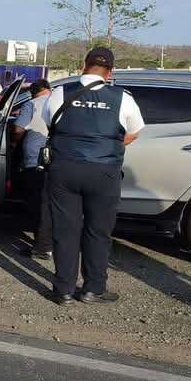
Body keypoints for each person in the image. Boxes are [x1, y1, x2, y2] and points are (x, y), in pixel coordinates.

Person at [45, 47, 144, 304]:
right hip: (103, 172)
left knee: (65, 231)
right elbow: (133, 132)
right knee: (97, 231)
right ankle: (93, 289)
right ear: (110, 73)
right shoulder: (123, 98)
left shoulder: (60, 93)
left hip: (64, 169)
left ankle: (63, 290)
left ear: (83, 65)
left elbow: (50, 124)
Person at [12, 79, 53, 259]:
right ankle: (48, 242)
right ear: (48, 90)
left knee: (37, 203)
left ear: (33, 92)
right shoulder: (59, 102)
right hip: (56, 160)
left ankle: (43, 247)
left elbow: (18, 129)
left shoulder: (32, 104)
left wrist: (14, 143)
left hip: (35, 160)